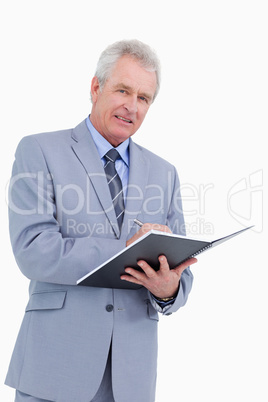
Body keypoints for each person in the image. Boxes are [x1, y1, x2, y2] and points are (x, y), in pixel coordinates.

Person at [5, 39, 197, 402]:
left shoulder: (164, 172)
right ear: (96, 87)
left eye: (144, 98)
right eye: (123, 90)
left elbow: (180, 272)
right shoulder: (40, 151)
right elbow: (32, 250)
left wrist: (168, 289)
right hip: (56, 368)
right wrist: (123, 249)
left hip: (131, 377)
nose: (132, 106)